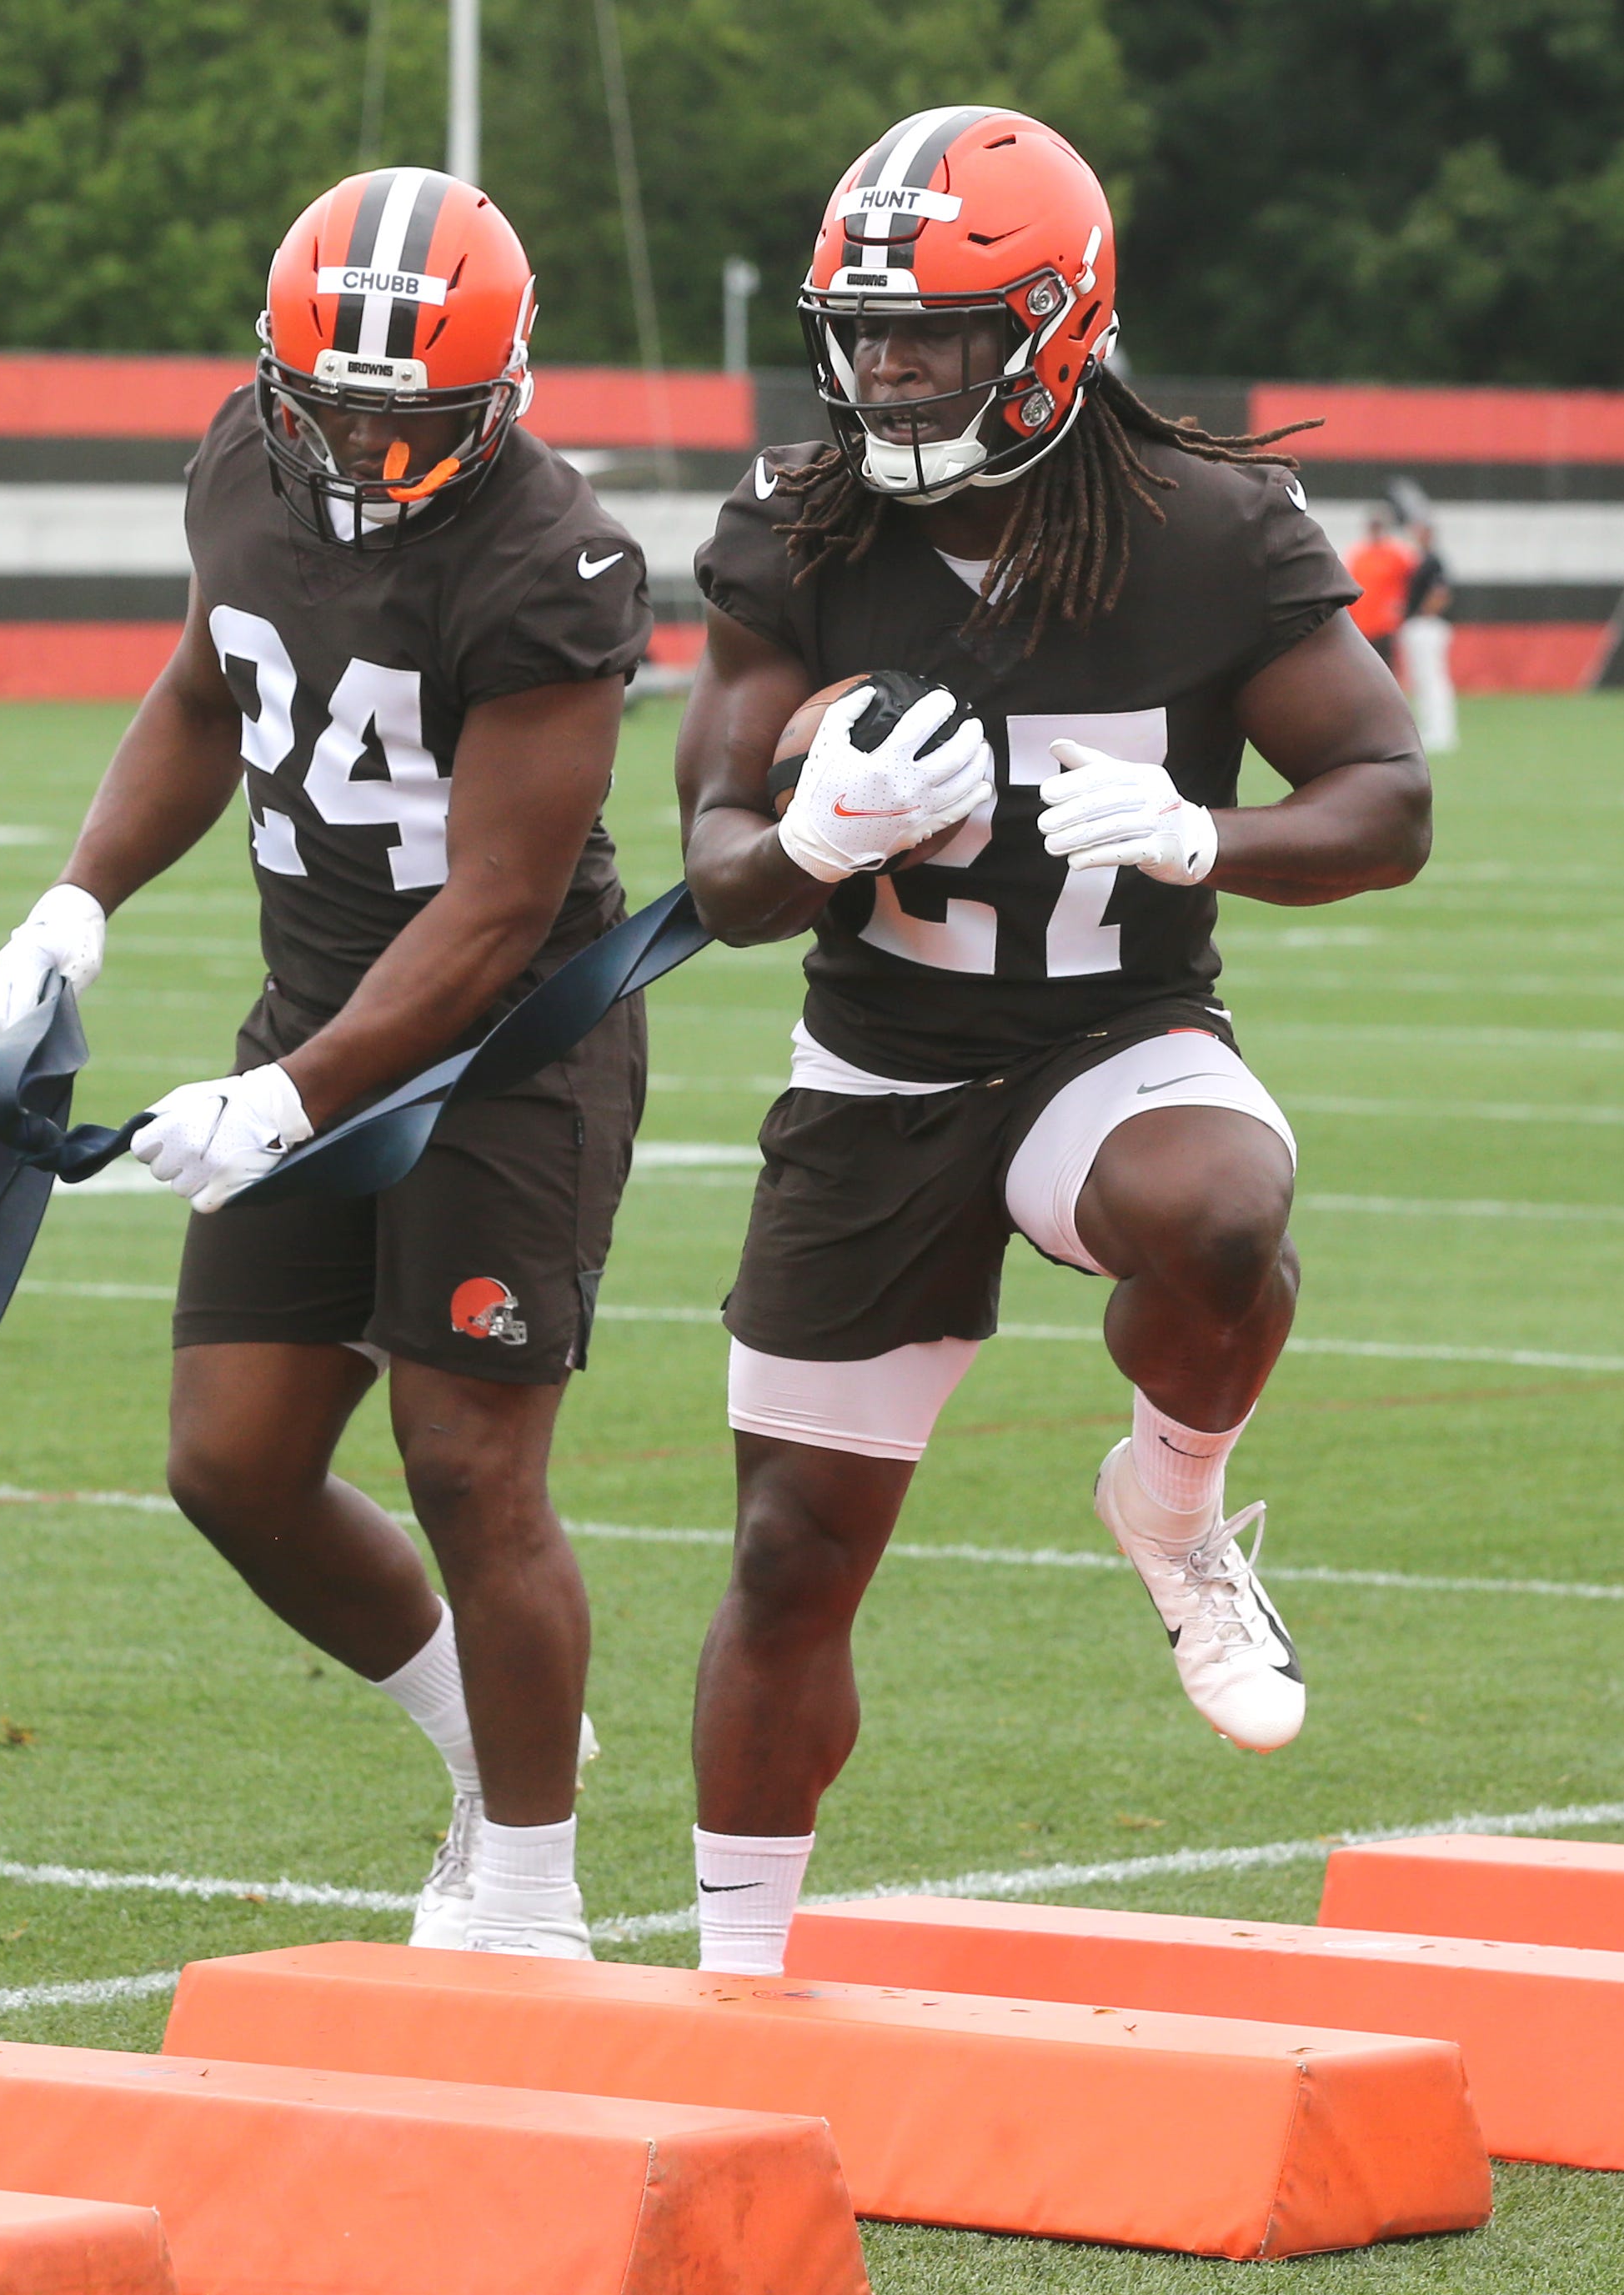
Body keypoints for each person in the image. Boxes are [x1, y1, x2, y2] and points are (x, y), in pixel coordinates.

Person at [673, 108, 1428, 1974]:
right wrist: (804, 842)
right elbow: (708, 864)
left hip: (1110, 1029)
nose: (890, 364)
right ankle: (735, 1978)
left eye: (934, 327)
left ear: (1060, 325)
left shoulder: (1204, 526)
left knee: (1223, 1206)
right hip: (876, 1068)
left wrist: (1207, 838)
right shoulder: (803, 521)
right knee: (786, 1557)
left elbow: (1384, 792)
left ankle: (1171, 1502)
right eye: (865, 327)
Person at [0, 169, 650, 1956]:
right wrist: (79, 892)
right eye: (328, 402)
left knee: (467, 1462)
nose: (358, 442)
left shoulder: (555, 556)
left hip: (512, 1050)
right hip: (318, 1013)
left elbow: (500, 907)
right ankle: (492, 1744)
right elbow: (211, 689)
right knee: (233, 1457)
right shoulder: (238, 462)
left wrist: (288, 1095)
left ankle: (528, 1890)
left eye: (405, 415)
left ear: (501, 397)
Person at [1398, 515, 1457, 754]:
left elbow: (1441, 592)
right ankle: (1429, 728)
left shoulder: (1433, 561)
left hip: (1427, 625)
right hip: (1418, 623)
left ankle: (1441, 731)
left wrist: (1425, 613)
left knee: (1433, 678)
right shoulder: (1419, 560)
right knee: (1422, 679)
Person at [1345, 505, 1418, 673]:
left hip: (1386, 623)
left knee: (1386, 666)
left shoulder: (1397, 553)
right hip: (1362, 621)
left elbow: (1414, 580)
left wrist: (1403, 605)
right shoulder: (1358, 554)